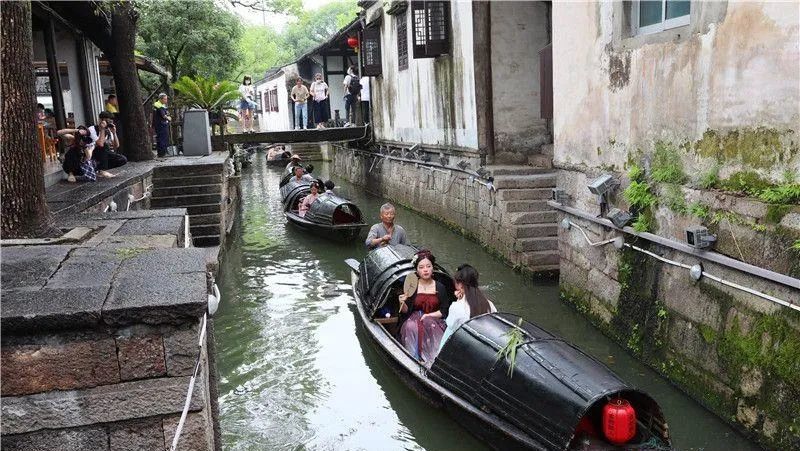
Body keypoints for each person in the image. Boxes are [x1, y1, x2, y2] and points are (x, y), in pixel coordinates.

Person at [398, 249, 453, 362]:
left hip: (434, 319)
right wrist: (401, 302)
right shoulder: (413, 286)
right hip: (413, 319)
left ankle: (434, 361)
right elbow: (405, 311)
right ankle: (413, 359)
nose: (425, 270)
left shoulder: (440, 287)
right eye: (421, 267)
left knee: (429, 326)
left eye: (428, 266)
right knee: (410, 327)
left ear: (433, 268)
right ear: (417, 270)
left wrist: (429, 316)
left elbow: (444, 311)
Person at [439, 264, 497, 351]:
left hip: (458, 346)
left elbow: (450, 325)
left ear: (460, 285)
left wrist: (458, 300)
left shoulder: (457, 306)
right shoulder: (489, 304)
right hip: (482, 347)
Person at [88, 112, 126, 177]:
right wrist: (102, 129)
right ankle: (102, 170)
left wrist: (114, 133)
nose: (107, 124)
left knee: (122, 159)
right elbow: (100, 144)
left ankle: (99, 169)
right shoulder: (92, 129)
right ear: (100, 120)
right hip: (91, 153)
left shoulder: (107, 130)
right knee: (103, 146)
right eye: (106, 121)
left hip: (103, 154)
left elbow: (116, 146)